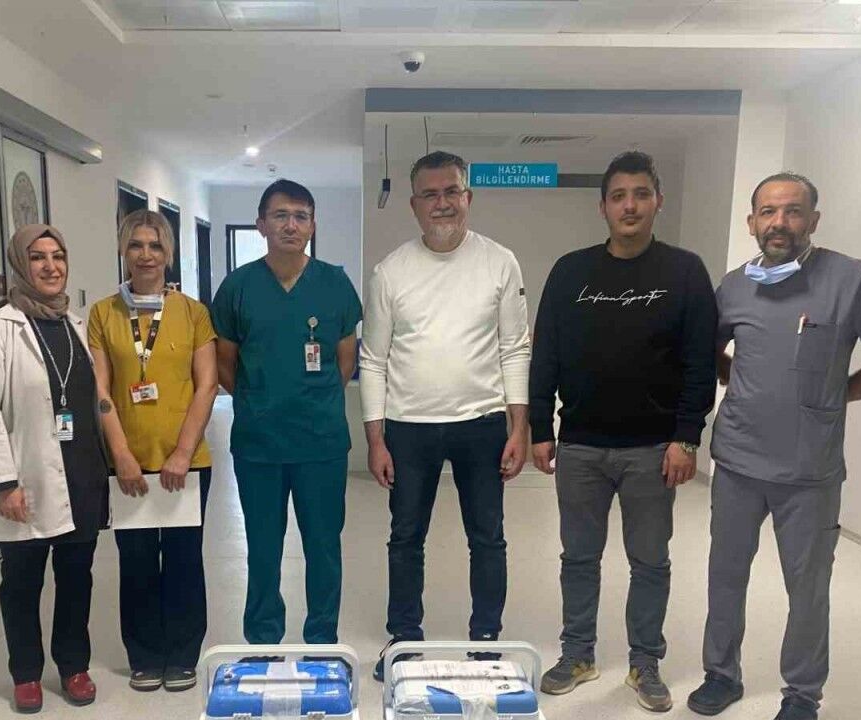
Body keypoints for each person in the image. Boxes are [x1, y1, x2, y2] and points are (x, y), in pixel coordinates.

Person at [686, 173, 861, 720]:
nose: (780, 223)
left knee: (808, 588)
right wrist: (739, 379)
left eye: (793, 211)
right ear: (751, 223)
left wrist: (835, 396)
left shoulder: (851, 279)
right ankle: (721, 675)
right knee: (726, 576)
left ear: (813, 220)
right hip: (738, 461)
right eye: (768, 212)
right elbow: (705, 352)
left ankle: (802, 694)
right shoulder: (735, 286)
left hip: (809, 471)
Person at [529, 150, 717, 712]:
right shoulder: (571, 271)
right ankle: (577, 654)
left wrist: (687, 438)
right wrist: (540, 427)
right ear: (603, 206)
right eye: (618, 196)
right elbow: (546, 355)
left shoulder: (685, 272)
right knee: (578, 558)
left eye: (640, 194)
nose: (629, 205)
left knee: (650, 562)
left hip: (653, 450)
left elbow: (699, 363)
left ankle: (645, 663)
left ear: (658, 201)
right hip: (581, 445)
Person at [361, 151, 531, 681]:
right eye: (430, 194)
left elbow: (514, 348)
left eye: (452, 191)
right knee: (405, 537)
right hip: (409, 427)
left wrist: (519, 427)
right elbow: (373, 359)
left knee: (488, 538)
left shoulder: (499, 262)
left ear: (468, 197)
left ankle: (486, 639)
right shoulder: (390, 272)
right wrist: (376, 439)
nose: (442, 203)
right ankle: (404, 638)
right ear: (414, 205)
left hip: (482, 424)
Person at [210, 179, 362, 649]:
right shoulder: (238, 287)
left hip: (321, 442)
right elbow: (224, 364)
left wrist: (312, 400)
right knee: (262, 549)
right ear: (261, 224)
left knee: (323, 547)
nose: (290, 225)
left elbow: (345, 361)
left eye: (300, 216)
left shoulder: (334, 283)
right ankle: (262, 640)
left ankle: (322, 641)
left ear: (313, 225)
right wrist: (261, 400)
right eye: (280, 215)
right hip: (259, 444)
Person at [0, 224, 107, 714]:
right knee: (22, 584)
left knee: (77, 580)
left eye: (58, 256)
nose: (51, 266)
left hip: (81, 475)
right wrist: (4, 483)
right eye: (38, 257)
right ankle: (26, 673)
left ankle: (73, 666)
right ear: (20, 265)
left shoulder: (77, 324)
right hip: (26, 479)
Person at [88, 210, 219, 693]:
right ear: (123, 251)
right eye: (136, 245)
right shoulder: (103, 313)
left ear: (169, 253)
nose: (146, 255)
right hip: (129, 463)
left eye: (156, 245)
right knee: (137, 562)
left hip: (186, 462)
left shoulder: (193, 312)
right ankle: (144, 655)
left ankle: (182, 654)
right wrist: (120, 454)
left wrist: (183, 452)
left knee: (184, 560)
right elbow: (101, 389)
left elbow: (207, 385)